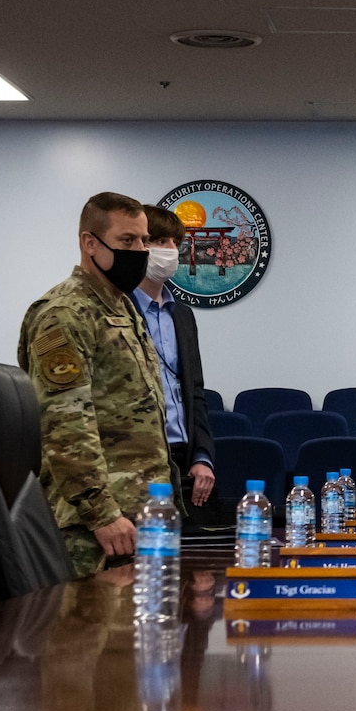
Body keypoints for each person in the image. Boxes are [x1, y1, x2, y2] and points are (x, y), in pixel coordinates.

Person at [20, 192, 173, 577]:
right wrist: (101, 514)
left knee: (139, 634)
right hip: (95, 527)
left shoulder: (120, 306)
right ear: (91, 243)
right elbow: (64, 426)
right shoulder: (64, 313)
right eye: (127, 241)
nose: (140, 250)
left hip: (139, 515)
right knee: (90, 634)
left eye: (142, 240)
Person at [135, 205, 216, 527]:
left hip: (183, 458)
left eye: (174, 242)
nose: (169, 250)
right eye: (159, 241)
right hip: (138, 460)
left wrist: (202, 456)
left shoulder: (181, 315)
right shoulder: (116, 311)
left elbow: (195, 391)